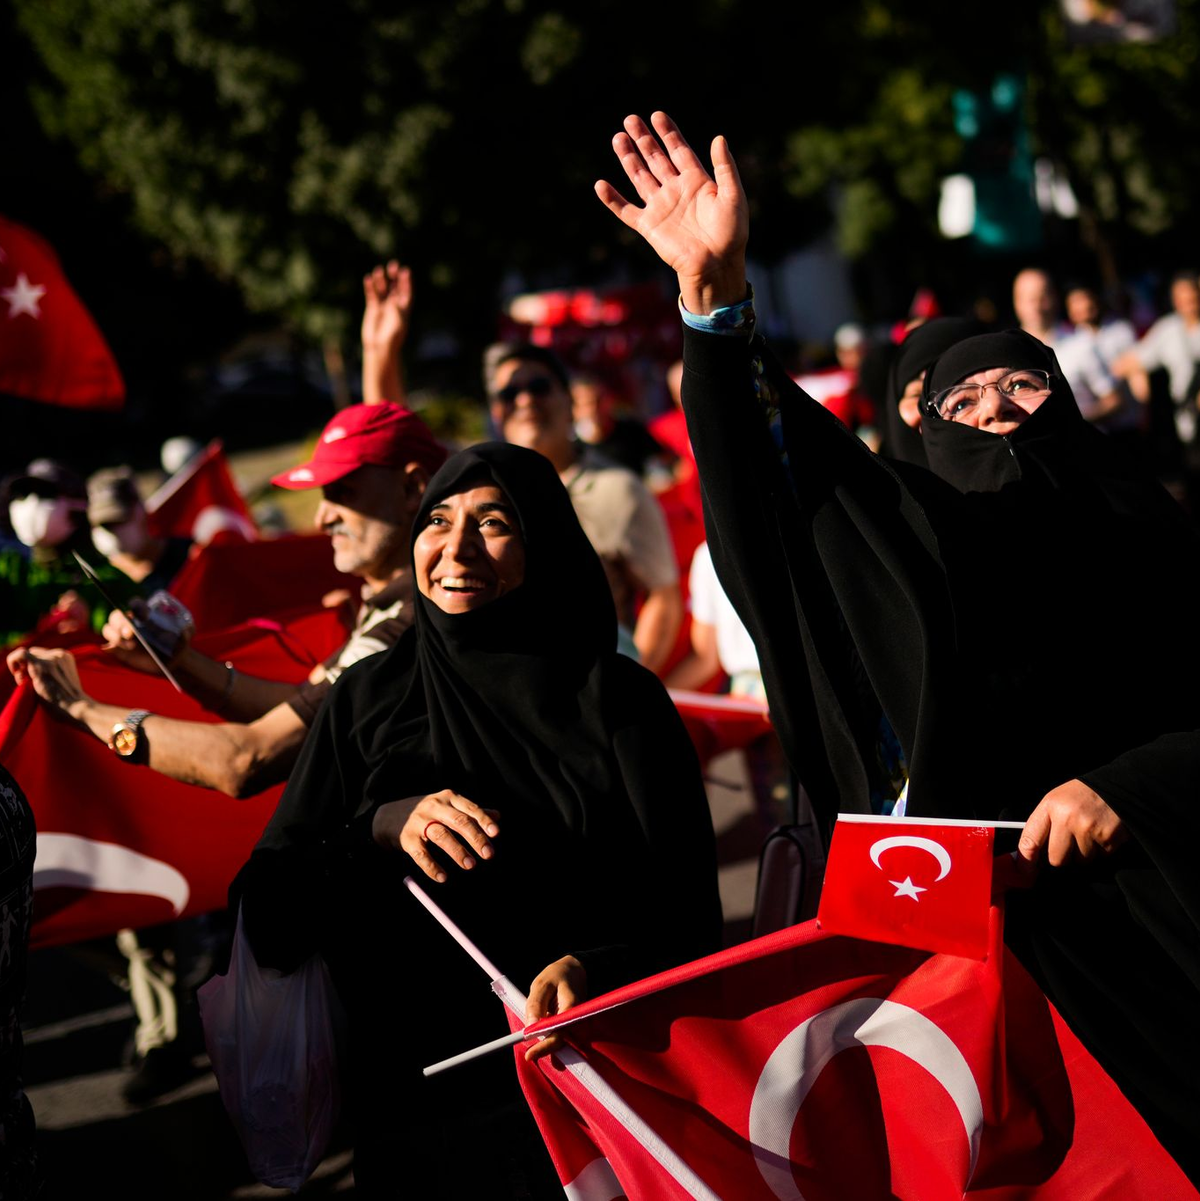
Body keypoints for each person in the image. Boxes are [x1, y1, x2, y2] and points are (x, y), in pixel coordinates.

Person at [595, 110, 1200, 1176]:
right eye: (960, 399)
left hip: (1176, 921)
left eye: (1022, 383)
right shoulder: (920, 553)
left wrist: (1128, 788)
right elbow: (780, 501)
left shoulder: (1161, 538)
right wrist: (716, 306)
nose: (997, 409)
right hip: (1012, 980)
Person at [234, 442, 722, 1196]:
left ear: (543, 544)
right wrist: (377, 829)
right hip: (417, 1125)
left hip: (596, 1110)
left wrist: (597, 968)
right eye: (437, 520)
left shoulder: (619, 703)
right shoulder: (366, 699)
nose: (456, 549)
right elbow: (265, 910)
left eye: (494, 523)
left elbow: (691, 921)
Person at [8, 402, 445, 798]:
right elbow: (301, 706)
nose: (321, 517)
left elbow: (245, 759)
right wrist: (178, 660)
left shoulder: (413, 621)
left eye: (343, 493)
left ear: (413, 490)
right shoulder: (396, 605)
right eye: (323, 496)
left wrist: (81, 708)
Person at [486, 343, 683, 672]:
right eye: (508, 393)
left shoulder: (618, 488)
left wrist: (628, 684)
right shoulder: (479, 494)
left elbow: (662, 597)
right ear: (495, 411)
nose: (525, 400)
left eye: (539, 387)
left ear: (569, 401)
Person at [1, 458, 135, 647]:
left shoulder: (107, 581)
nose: (31, 503)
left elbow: (130, 651)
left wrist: (87, 630)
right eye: (23, 494)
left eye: (45, 494)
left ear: (78, 508)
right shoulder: (9, 568)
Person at [1012, 267, 1125, 426]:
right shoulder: (1009, 351)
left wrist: (1071, 422)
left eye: (1042, 297)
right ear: (1016, 303)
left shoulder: (1082, 343)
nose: (1037, 306)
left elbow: (1114, 400)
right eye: (1029, 299)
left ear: (1055, 298)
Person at [86, 466, 193, 593]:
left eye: (119, 520)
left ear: (140, 509)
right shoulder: (118, 586)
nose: (115, 533)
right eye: (106, 525)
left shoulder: (190, 552)